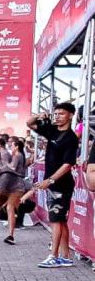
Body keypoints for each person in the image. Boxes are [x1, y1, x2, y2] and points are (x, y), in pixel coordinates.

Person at [27, 104, 79, 268]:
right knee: (60, 221)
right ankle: (65, 256)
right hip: (53, 185)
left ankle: (54, 256)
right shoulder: (52, 130)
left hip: (62, 185)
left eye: (61, 114)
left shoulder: (71, 138)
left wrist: (50, 180)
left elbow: (67, 164)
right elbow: (29, 123)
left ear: (70, 115)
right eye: (55, 114)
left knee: (55, 221)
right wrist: (39, 115)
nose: (57, 116)